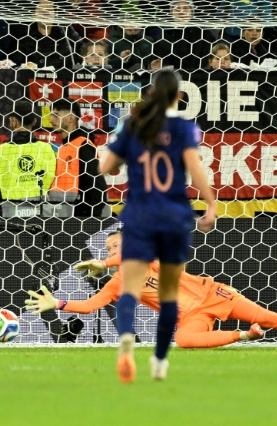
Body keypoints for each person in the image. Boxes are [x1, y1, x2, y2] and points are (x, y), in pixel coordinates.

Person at [26, 230, 277, 351]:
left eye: (118, 245)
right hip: (193, 314)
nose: (114, 249)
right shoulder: (118, 282)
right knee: (183, 340)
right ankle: (245, 336)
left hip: (214, 294)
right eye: (109, 246)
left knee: (270, 316)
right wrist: (58, 302)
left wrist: (103, 262)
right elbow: (92, 304)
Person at [95, 69, 217, 382]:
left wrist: (122, 150)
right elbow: (194, 167)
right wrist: (211, 205)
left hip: (138, 215)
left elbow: (106, 168)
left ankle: (126, 339)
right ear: (179, 96)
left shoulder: (134, 125)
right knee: (168, 294)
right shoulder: (183, 128)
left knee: (129, 289)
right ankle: (160, 361)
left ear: (150, 94)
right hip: (174, 217)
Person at [0, 103, 56, 218]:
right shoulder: (47, 149)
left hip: (8, 211)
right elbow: (51, 180)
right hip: (39, 210)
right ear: (34, 121)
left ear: (14, 121)